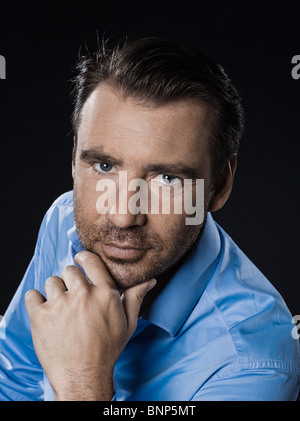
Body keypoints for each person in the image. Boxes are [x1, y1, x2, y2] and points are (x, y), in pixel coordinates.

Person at [0, 36, 299, 401]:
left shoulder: (255, 366)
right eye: (104, 166)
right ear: (74, 159)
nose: (123, 216)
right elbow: (14, 377)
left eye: (167, 178)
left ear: (219, 184)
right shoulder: (64, 221)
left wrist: (83, 385)